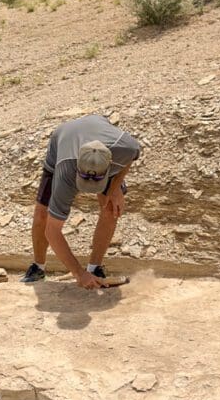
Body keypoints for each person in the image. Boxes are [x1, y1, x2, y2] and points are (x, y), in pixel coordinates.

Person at [21, 114, 141, 289]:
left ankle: (95, 269)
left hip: (99, 136)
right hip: (63, 141)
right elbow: (52, 231)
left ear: (110, 165)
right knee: (43, 215)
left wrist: (115, 187)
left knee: (111, 208)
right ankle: (38, 268)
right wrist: (78, 273)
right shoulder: (65, 170)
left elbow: (130, 159)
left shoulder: (125, 148)